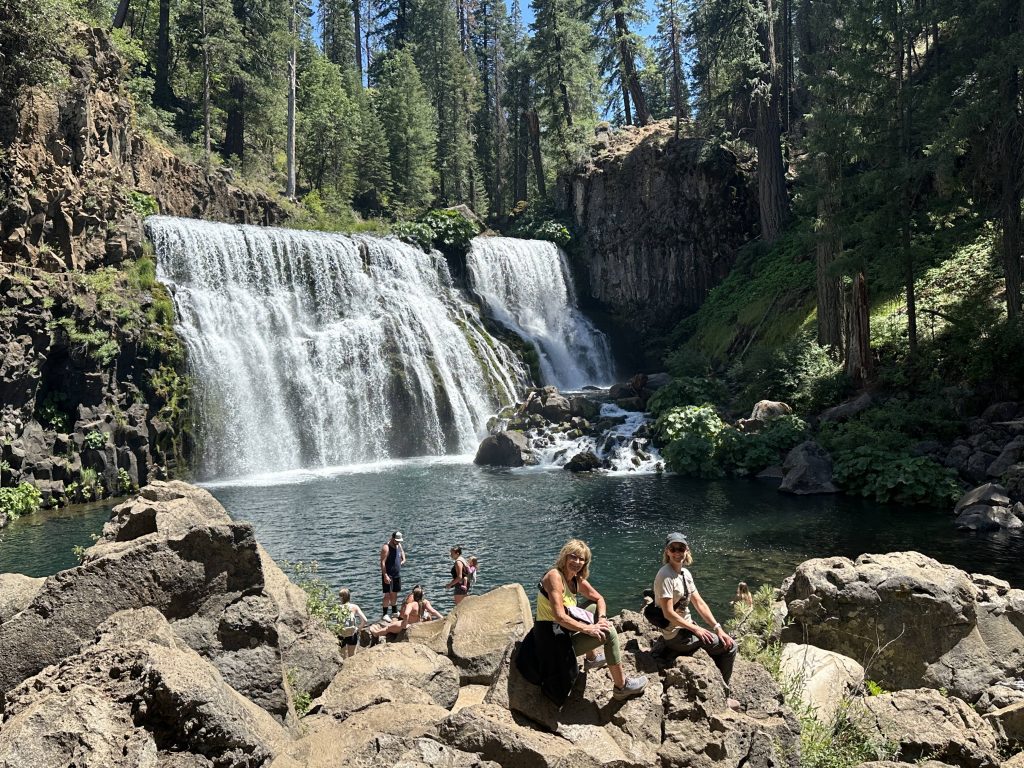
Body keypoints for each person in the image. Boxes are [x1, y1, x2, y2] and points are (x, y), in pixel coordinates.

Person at [519, 539, 647, 703]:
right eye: (574, 557)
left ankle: (591, 659)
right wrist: (590, 629)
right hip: (551, 639)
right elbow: (559, 616)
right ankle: (622, 687)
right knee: (609, 633)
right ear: (565, 556)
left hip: (563, 630)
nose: (577, 562)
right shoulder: (554, 576)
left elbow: (599, 598)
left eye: (582, 559)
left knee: (596, 611)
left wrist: (601, 619)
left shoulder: (575, 579)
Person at [654, 532, 738, 700]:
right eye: (673, 548)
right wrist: (697, 629)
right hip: (677, 635)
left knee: (721, 638)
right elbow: (667, 613)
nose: (677, 552)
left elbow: (699, 603)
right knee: (731, 647)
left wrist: (718, 628)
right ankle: (724, 695)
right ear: (667, 552)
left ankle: (719, 685)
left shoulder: (685, 574)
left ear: (687, 550)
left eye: (681, 548)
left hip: (685, 629)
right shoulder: (665, 575)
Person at [371, 584, 443, 639]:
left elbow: (405, 614)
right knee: (394, 624)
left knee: (388, 628)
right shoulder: (425, 602)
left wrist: (405, 625)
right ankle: (378, 630)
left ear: (413, 595)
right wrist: (443, 618)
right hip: (418, 623)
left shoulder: (411, 604)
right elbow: (433, 611)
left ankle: (376, 633)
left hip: (409, 624)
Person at [380, 530, 406, 619]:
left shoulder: (398, 544)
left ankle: (394, 611)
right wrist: (385, 575)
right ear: (392, 538)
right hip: (389, 574)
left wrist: (403, 559)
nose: (398, 542)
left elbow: (402, 552)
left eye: (399, 541)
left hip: (396, 574)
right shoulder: (386, 547)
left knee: (395, 593)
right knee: (387, 595)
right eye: (396, 541)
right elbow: (382, 563)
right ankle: (385, 614)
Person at [337, 588, 368, 658]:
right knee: (352, 656)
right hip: (352, 634)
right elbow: (365, 620)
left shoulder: (338, 608)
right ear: (349, 597)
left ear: (341, 598)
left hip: (341, 634)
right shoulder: (355, 607)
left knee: (342, 657)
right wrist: (358, 629)